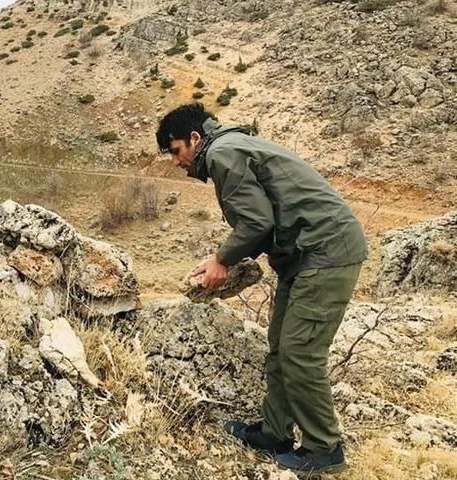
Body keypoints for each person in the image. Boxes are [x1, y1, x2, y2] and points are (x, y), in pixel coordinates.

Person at [156, 103, 368, 476]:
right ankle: (275, 433)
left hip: (325, 252)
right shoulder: (232, 146)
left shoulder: (222, 153)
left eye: (175, 151)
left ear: (194, 139)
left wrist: (222, 258)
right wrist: (228, 258)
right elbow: (265, 220)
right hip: (304, 256)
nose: (175, 162)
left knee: (300, 351)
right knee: (281, 348)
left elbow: (256, 222)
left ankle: (325, 449)